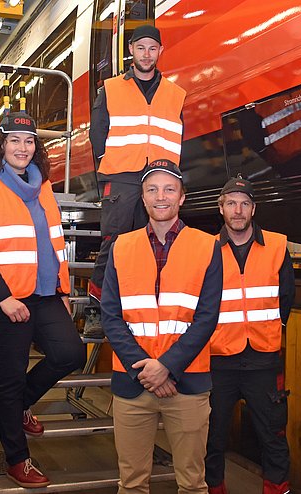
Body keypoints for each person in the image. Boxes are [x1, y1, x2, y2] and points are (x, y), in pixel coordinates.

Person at [0, 111, 86, 488]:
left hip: (45, 293)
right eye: (14, 140)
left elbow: (52, 244)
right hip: (6, 297)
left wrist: (62, 291)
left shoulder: (43, 185)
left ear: (36, 147)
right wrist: (4, 298)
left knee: (70, 354)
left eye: (29, 141)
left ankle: (19, 408)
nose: (22, 147)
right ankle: (17, 458)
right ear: (1, 144)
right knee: (10, 378)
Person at [101, 159, 223, 494]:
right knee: (132, 483)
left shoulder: (207, 246)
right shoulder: (121, 247)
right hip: (133, 381)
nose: (161, 196)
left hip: (186, 383)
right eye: (152, 189)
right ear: (143, 198)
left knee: (193, 484)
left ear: (182, 197)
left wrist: (167, 367)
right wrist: (146, 370)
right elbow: (110, 315)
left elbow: (207, 316)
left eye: (169, 189)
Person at [87, 23, 187, 337]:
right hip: (122, 176)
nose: (146, 53)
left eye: (152, 48)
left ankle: (140, 308)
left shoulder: (175, 93)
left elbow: (177, 135)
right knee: (114, 242)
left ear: (160, 51)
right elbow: (97, 134)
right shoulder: (111, 88)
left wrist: (171, 179)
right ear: (131, 50)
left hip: (159, 178)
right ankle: (96, 312)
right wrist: (108, 167)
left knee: (155, 243)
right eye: (140, 47)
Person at [205, 177, 295, 494]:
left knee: (272, 433)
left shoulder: (278, 246)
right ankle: (215, 489)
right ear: (221, 209)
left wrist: (266, 330)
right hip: (219, 358)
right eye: (231, 203)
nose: (238, 210)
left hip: (263, 358)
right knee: (212, 436)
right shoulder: (207, 251)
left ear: (253, 209)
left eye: (244, 203)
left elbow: (286, 299)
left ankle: (276, 488)